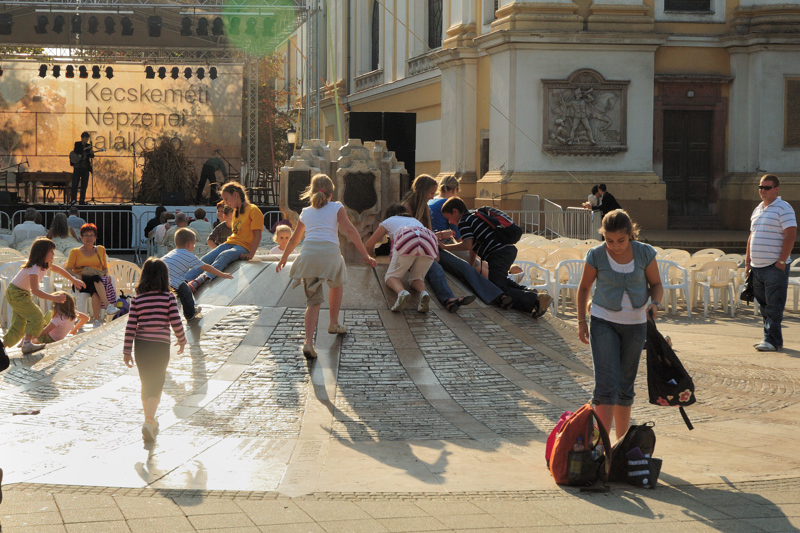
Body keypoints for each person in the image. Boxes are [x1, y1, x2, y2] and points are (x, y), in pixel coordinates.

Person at [576, 210, 662, 439]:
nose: (615, 246)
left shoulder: (644, 253)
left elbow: (656, 284)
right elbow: (584, 287)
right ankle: (601, 446)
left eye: (620, 240)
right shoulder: (596, 255)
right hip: (603, 322)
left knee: (625, 385)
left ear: (631, 234)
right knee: (605, 385)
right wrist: (581, 321)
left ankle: (621, 444)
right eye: (609, 240)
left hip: (636, 325)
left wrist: (655, 303)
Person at [276, 174, 376, 359]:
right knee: (336, 284)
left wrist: (283, 258)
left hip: (308, 256)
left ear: (312, 192)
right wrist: (365, 254)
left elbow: (294, 240)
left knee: (313, 303)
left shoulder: (305, 212)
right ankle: (333, 322)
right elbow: (350, 230)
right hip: (330, 254)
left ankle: (307, 342)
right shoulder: (337, 207)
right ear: (331, 193)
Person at [440, 197, 552, 317]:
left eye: (448, 218)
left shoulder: (464, 221)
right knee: (499, 280)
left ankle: (536, 299)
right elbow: (473, 247)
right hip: (506, 250)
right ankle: (528, 291)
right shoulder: (474, 216)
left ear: (455, 211)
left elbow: (467, 244)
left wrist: (445, 247)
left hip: (498, 253)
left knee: (496, 287)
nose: (450, 222)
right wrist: (471, 265)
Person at [122, 258, 187, 442]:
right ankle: (149, 421)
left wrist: (127, 350)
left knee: (146, 382)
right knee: (157, 382)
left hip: (141, 346)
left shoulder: (137, 299)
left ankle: (148, 420)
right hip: (160, 346)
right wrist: (182, 340)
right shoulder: (168, 298)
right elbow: (175, 321)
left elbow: (131, 326)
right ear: (164, 277)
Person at [427, 175, 503, 311]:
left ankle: (506, 279)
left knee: (480, 262)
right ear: (455, 190)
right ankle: (500, 287)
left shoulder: (431, 202)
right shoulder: (450, 203)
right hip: (445, 241)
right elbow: (461, 238)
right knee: (478, 264)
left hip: (434, 240)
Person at [4, 238, 85, 354]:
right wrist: (55, 298)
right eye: (50, 251)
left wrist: (73, 280)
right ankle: (27, 344)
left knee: (19, 325)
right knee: (36, 316)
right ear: (41, 252)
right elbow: (36, 291)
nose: (53, 254)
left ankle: (2, 346)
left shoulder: (44, 265)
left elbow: (60, 270)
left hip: (21, 294)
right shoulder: (34, 268)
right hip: (16, 294)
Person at [746, 174, 797, 352]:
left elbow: (791, 233)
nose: (763, 191)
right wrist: (747, 263)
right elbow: (751, 236)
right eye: (761, 187)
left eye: (767, 187)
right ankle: (770, 338)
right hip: (758, 267)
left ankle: (772, 340)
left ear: (776, 189)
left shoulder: (784, 208)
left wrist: (782, 260)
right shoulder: (758, 209)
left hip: (774, 267)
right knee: (764, 306)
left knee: (774, 305)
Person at [185, 182, 263, 292]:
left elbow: (257, 235)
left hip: (244, 246)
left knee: (225, 255)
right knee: (207, 257)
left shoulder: (253, 210)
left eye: (226, 199)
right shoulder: (235, 211)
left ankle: (201, 279)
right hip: (230, 243)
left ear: (235, 195)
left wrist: (251, 253)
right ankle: (184, 280)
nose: (225, 203)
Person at [365, 203, 438, 312]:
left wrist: (371, 256)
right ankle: (424, 293)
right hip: (429, 240)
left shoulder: (389, 221)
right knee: (416, 278)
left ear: (389, 215)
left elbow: (369, 245)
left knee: (391, 276)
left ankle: (401, 293)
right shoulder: (414, 220)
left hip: (408, 237)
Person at [162, 228, 233, 321]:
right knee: (187, 292)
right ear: (189, 244)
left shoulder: (172, 252)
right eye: (194, 244)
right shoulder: (188, 255)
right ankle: (190, 313)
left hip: (160, 278)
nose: (194, 247)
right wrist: (222, 274)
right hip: (173, 281)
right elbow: (206, 267)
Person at [64, 223, 118, 328]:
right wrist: (77, 276)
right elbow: (67, 268)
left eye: (91, 235)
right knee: (96, 279)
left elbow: (104, 267)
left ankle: (96, 321)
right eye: (86, 235)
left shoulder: (100, 249)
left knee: (95, 288)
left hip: (97, 281)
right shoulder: (75, 252)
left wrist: (107, 274)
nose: (89, 238)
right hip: (81, 281)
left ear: (95, 237)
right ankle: (108, 306)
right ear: (81, 237)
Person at [70, 131, 95, 205]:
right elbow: (77, 151)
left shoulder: (88, 146)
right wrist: (87, 148)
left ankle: (82, 200)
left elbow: (91, 156)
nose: (86, 140)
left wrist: (91, 152)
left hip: (85, 168)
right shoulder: (77, 144)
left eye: (87, 138)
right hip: (77, 167)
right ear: (82, 138)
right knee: (75, 183)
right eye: (85, 138)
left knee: (84, 184)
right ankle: (73, 199)